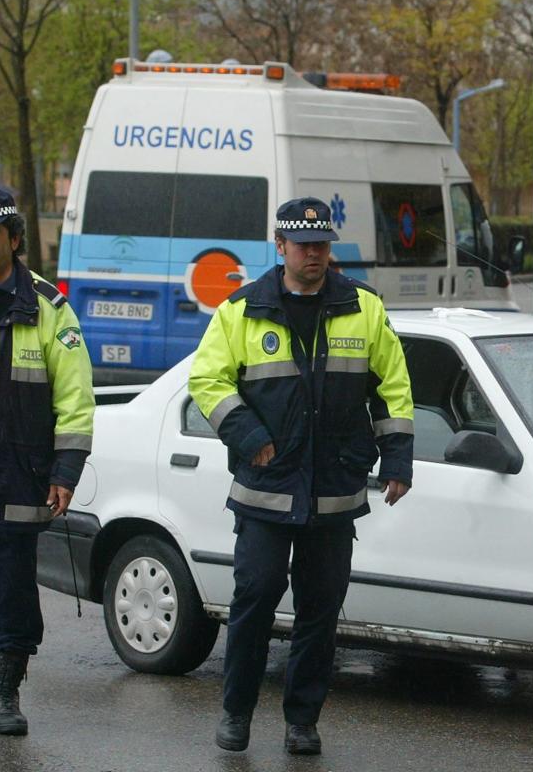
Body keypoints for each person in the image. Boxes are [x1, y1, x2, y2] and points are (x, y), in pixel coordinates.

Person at [189, 196, 413, 756]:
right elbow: (208, 382)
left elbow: (394, 386)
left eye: (321, 244)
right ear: (281, 247)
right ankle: (236, 712)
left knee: (320, 611)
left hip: (334, 491)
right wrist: (249, 436)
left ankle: (302, 722)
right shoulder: (240, 310)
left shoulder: (363, 308)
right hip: (265, 488)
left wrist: (399, 460)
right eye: (302, 244)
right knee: (256, 597)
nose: (313, 253)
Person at [0, 187, 94, 736]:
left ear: (14, 238)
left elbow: (76, 397)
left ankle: (5, 692)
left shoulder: (48, 306)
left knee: (12, 582)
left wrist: (65, 471)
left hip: (15, 460)